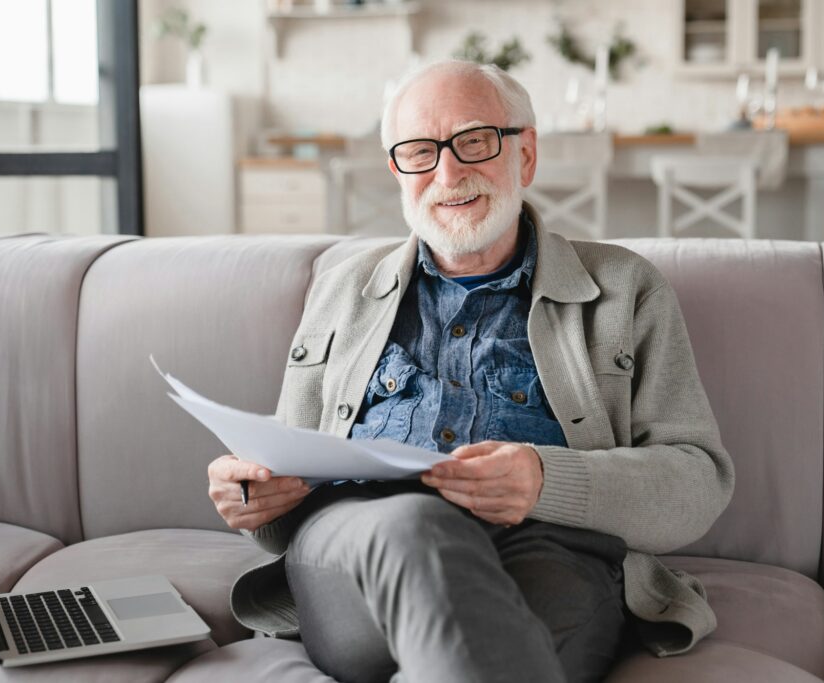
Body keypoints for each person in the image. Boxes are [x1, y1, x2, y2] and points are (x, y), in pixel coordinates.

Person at [207, 60, 735, 683]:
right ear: (397, 172)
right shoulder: (342, 290)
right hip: (361, 543)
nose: (448, 173)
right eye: (420, 152)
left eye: (474, 141)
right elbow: (285, 467)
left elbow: (697, 481)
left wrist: (546, 480)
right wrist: (255, 495)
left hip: (550, 548)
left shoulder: (626, 289)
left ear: (525, 154)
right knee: (415, 528)